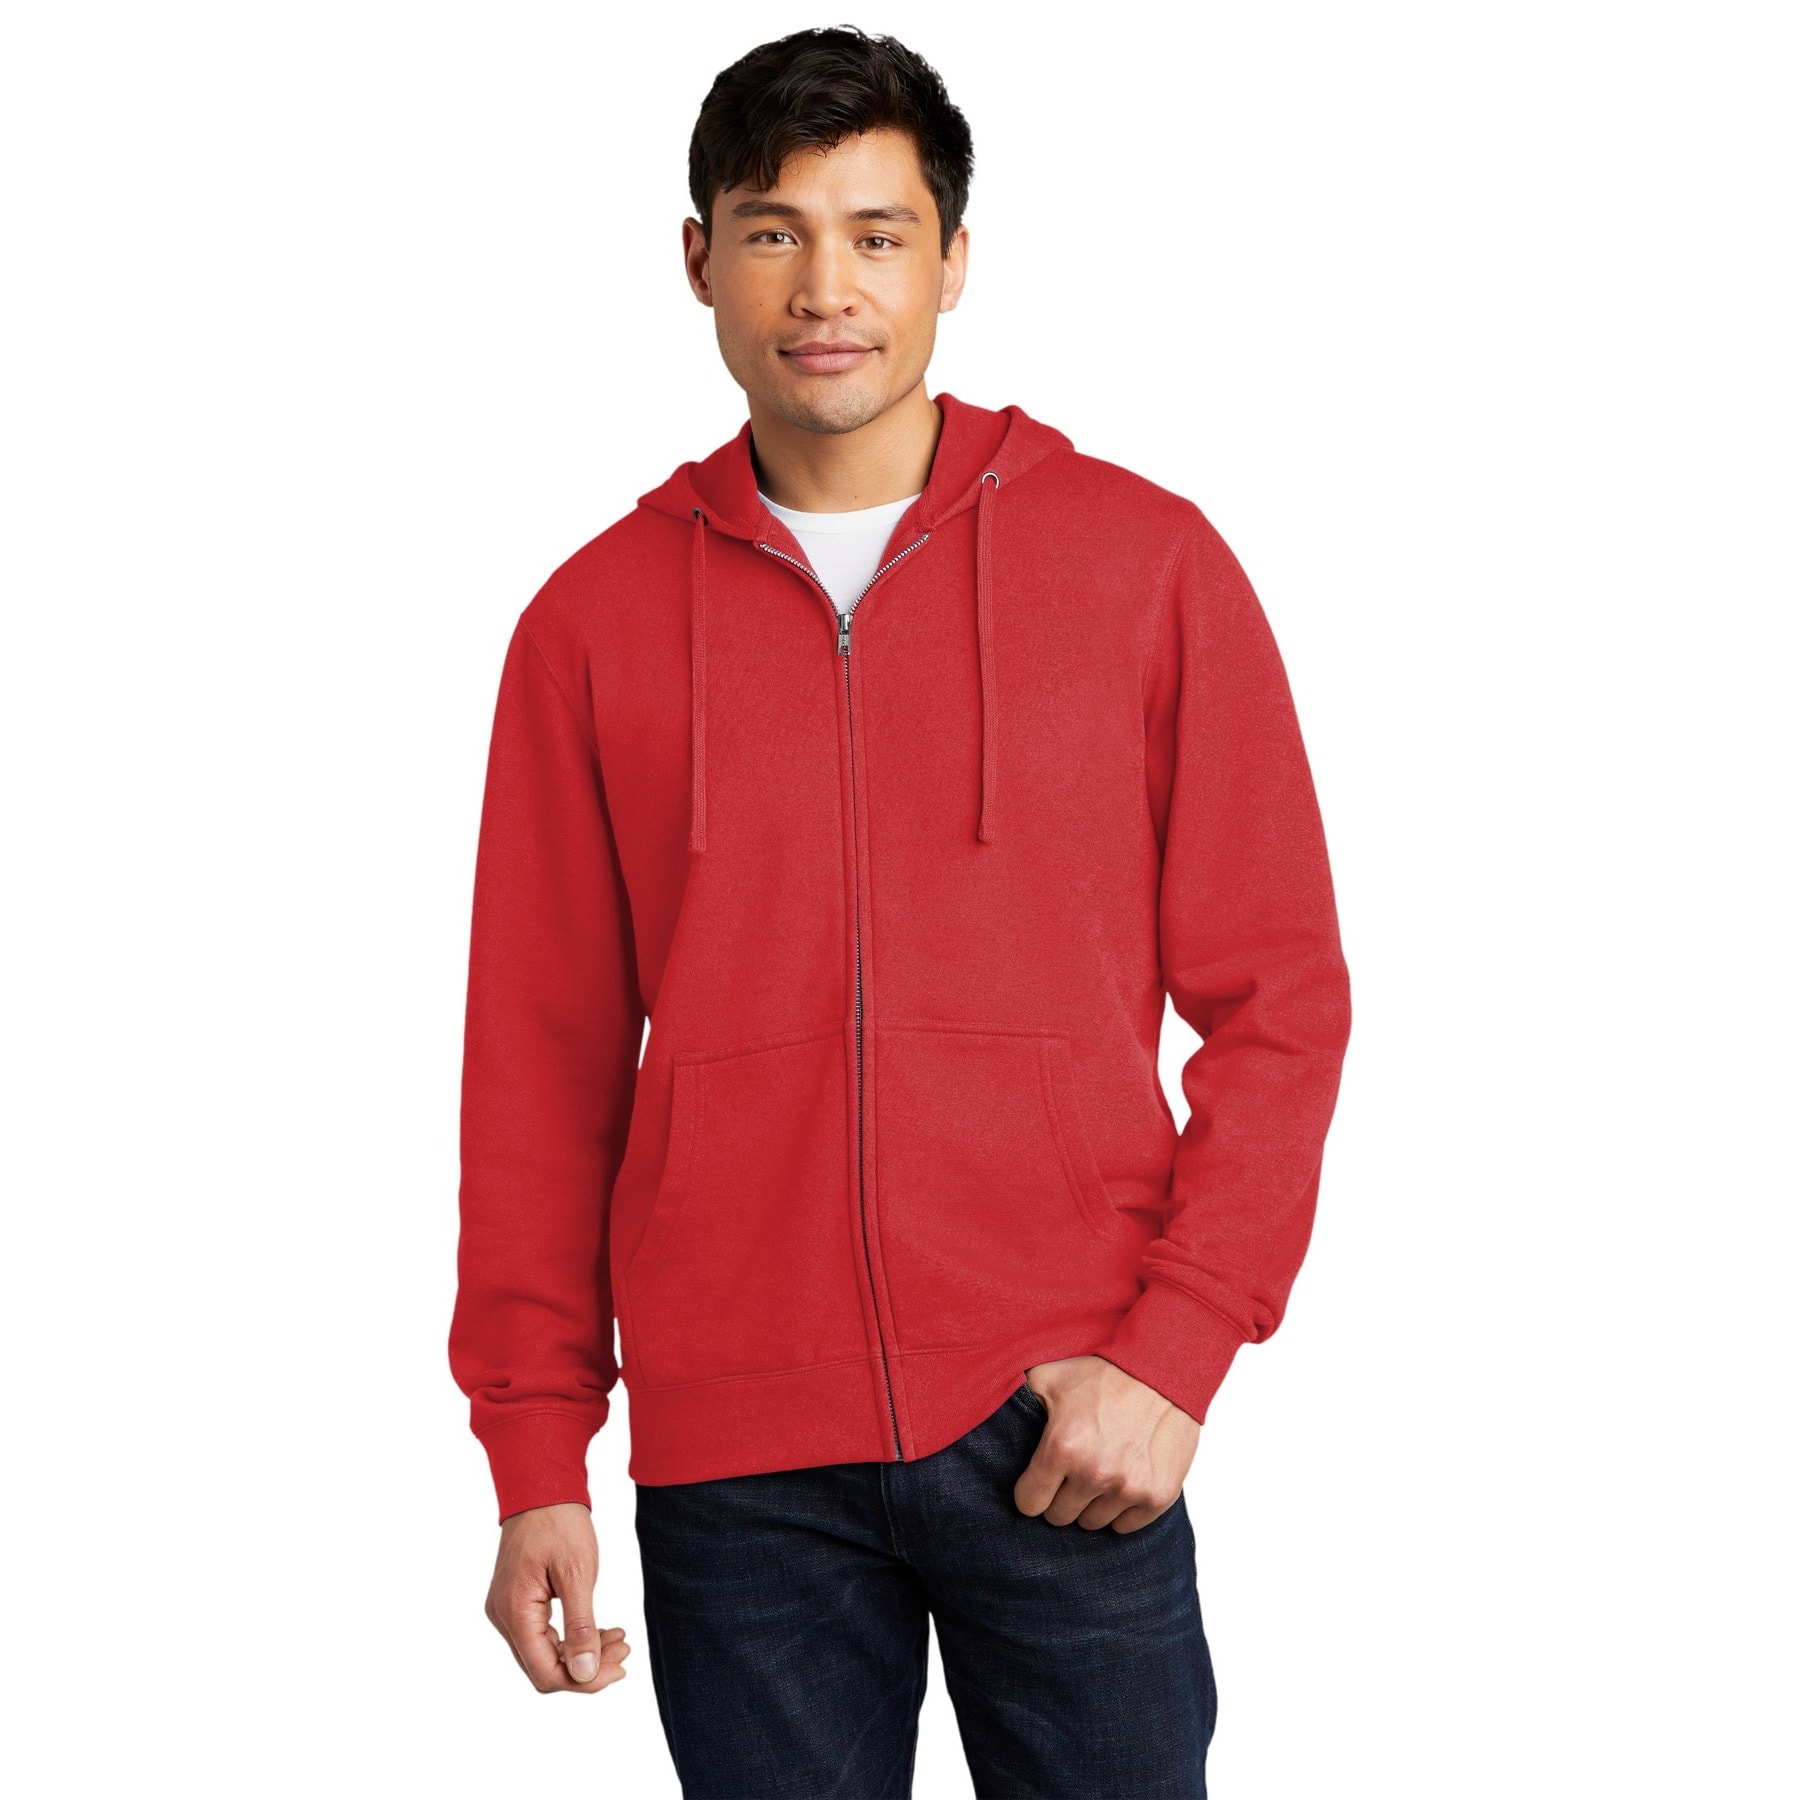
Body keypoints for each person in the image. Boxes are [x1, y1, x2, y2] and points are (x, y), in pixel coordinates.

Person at [448, 24, 1351, 1797]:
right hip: (737, 1464)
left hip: (1065, 1417)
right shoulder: (591, 624)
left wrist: (1174, 1354)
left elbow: (1282, 1000)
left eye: (877, 233)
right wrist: (536, 1450)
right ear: (698, 259)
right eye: (773, 232)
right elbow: (538, 1070)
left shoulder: (1146, 565)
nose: (826, 288)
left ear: (953, 259)